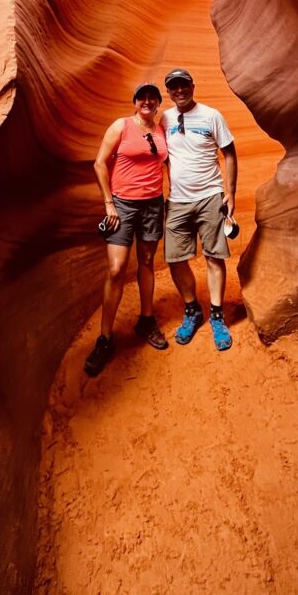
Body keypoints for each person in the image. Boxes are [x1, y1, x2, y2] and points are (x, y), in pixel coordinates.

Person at [85, 82, 169, 376]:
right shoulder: (121, 126)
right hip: (122, 205)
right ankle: (105, 337)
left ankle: (146, 320)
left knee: (146, 261)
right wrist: (109, 203)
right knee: (117, 267)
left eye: (152, 98)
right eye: (142, 97)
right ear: (135, 102)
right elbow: (99, 164)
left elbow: (166, 162)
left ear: (158, 103)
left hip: (152, 205)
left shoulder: (161, 130)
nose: (147, 101)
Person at [161, 68, 238, 350]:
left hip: (210, 197)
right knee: (175, 258)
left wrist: (230, 192)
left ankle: (217, 315)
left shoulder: (211, 115)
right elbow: (162, 155)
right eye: (174, 87)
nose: (179, 90)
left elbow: (229, 152)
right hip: (178, 201)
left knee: (214, 256)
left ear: (192, 86)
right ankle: (192, 310)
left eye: (183, 85)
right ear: (168, 91)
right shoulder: (165, 118)